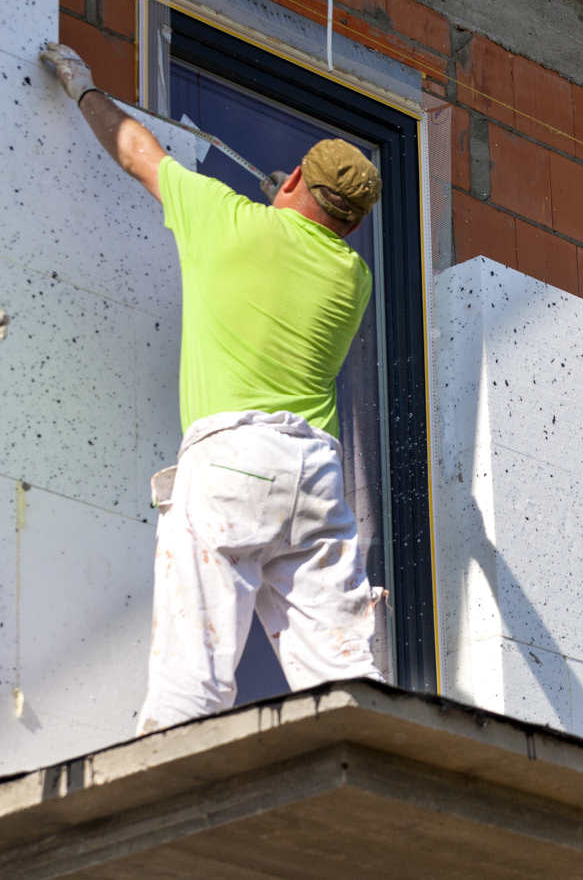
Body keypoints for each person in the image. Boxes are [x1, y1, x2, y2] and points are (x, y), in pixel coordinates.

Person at [39, 42, 385, 733]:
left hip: (230, 462)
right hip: (314, 476)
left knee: (191, 679)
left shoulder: (223, 221)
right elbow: (302, 243)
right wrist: (284, 210)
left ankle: (161, 801)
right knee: (346, 677)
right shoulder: (355, 278)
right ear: (354, 223)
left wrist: (83, 88)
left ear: (292, 186)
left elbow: (138, 150)